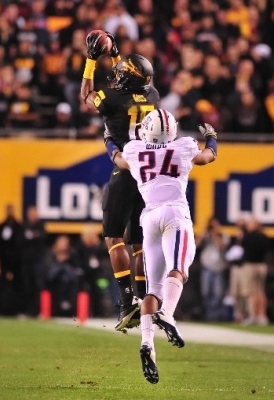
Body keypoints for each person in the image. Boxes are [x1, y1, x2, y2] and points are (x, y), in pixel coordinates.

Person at [108, 108, 218, 384]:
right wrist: (212, 137)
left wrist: (109, 140)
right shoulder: (183, 147)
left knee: (153, 289)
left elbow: (119, 160)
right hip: (175, 215)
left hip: (150, 219)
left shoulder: (134, 149)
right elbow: (208, 156)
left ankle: (147, 343)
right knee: (179, 269)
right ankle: (167, 315)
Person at [80, 30, 160, 331]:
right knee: (139, 244)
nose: (119, 72)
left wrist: (91, 60)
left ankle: (127, 303)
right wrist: (114, 55)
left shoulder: (111, 98)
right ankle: (143, 299)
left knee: (114, 238)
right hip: (149, 173)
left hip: (125, 168)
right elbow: (126, 79)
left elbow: (86, 97)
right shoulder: (152, 95)